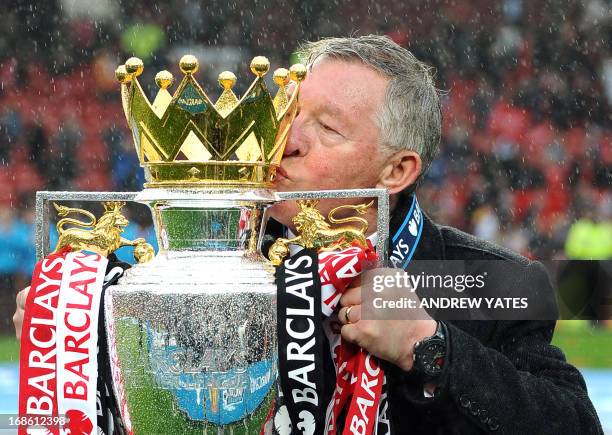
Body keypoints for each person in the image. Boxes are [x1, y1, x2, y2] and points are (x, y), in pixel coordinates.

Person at [14, 35, 602, 433]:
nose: (287, 141)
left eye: (328, 128)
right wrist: (72, 342)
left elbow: (574, 423)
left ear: (396, 171)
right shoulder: (196, 266)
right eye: (288, 113)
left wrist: (429, 346)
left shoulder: (483, 282)